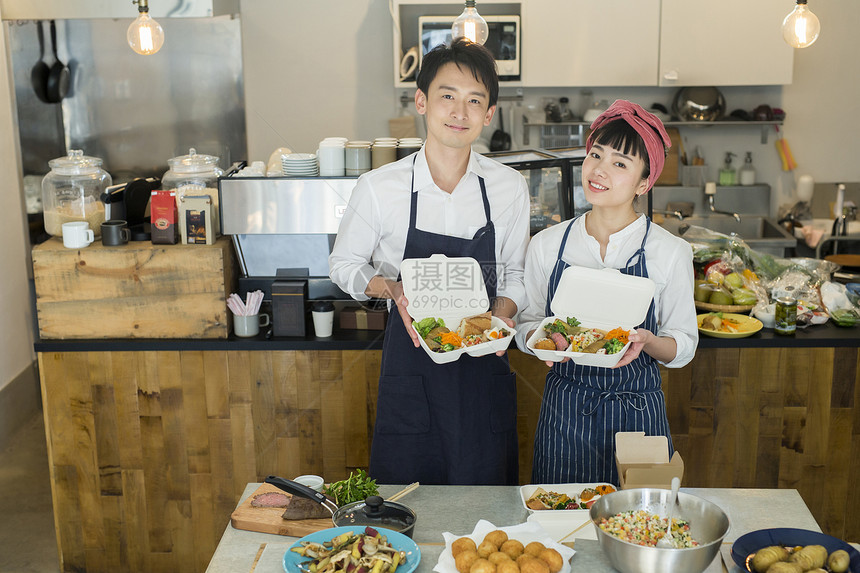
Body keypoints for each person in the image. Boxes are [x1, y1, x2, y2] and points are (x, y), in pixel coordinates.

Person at [329, 38, 530, 485]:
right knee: (410, 504)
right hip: (412, 372)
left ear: (489, 114)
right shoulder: (380, 186)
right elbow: (344, 264)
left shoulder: (508, 186)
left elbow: (516, 274)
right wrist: (392, 288)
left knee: (487, 507)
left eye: (474, 100)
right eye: (447, 96)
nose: (460, 112)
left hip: (483, 369)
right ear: (422, 101)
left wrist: (498, 319)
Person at [513, 99, 698, 485]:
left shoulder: (670, 252)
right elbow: (525, 324)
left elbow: (683, 343)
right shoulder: (548, 245)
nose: (599, 170)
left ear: (644, 183)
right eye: (596, 154)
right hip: (565, 412)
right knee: (560, 527)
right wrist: (541, 340)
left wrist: (647, 341)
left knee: (639, 528)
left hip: (638, 414)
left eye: (620, 163)